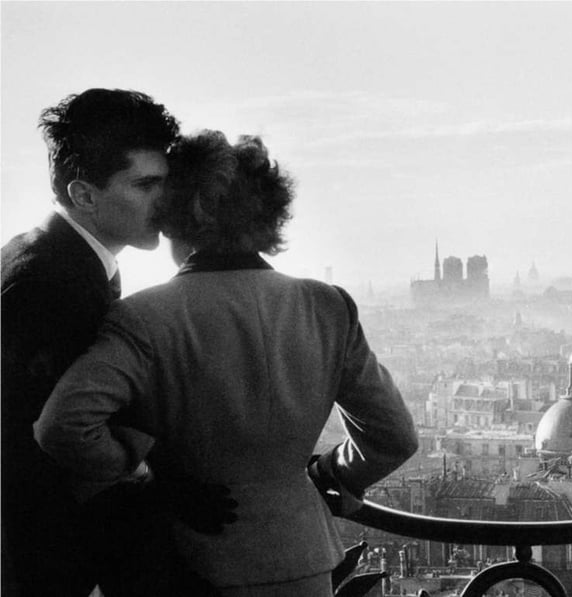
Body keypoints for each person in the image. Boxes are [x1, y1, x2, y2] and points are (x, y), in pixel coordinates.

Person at [35, 130, 419, 596]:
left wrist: (138, 470)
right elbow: (393, 435)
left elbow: (63, 425)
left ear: (178, 214)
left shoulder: (145, 317)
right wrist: (331, 474)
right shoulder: (327, 306)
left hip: (188, 560)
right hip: (302, 556)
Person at [1, 88, 182, 596]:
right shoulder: (52, 283)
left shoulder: (42, 257)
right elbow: (45, 446)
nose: (163, 201)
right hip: (45, 560)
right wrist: (144, 472)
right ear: (84, 195)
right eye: (145, 185)